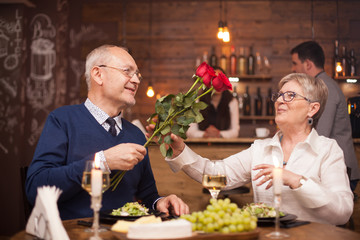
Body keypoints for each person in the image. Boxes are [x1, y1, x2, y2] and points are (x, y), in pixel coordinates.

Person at [147, 73, 354, 225]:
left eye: (290, 95)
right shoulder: (261, 149)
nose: (280, 100)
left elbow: (342, 212)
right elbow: (216, 174)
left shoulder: (328, 150)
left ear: (312, 108)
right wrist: (180, 150)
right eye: (279, 95)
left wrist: (296, 180)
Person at [25, 44, 189, 220]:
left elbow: (147, 195)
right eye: (127, 71)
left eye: (137, 75)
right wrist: (101, 162)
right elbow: (37, 190)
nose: (136, 80)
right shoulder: (62, 120)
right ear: (98, 74)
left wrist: (160, 202)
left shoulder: (136, 135)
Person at [291, 41, 360, 191]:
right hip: (333, 166)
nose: (293, 68)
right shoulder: (321, 85)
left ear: (308, 64)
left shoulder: (324, 88)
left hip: (340, 169)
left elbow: (321, 134)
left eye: (295, 63)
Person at [187, 67, 240, 138]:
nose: (218, 82)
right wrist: (204, 134)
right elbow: (190, 131)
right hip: (201, 146)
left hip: (225, 146)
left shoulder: (232, 101)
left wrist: (219, 134)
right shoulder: (197, 101)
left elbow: (235, 131)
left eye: (221, 79)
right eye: (214, 78)